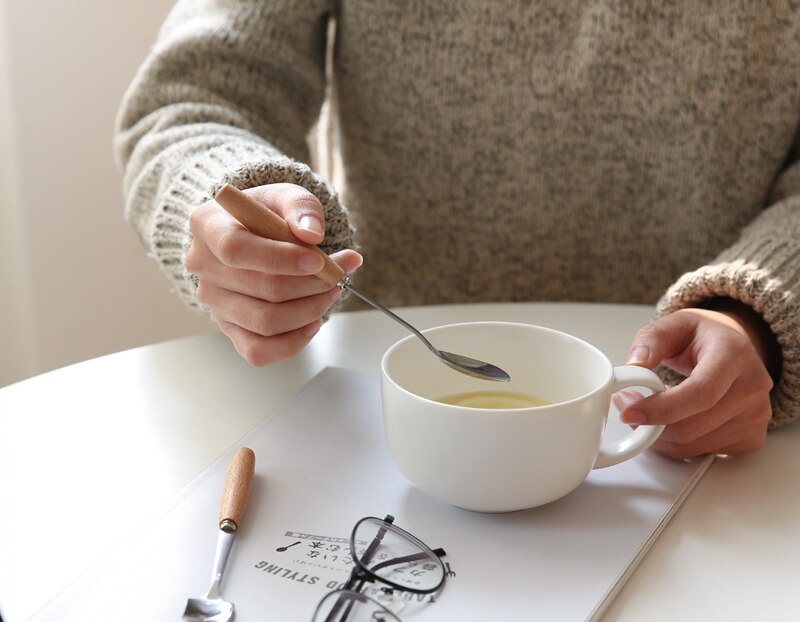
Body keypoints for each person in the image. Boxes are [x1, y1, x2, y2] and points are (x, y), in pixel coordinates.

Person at [114, 1, 799, 461]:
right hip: (374, 414)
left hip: (705, 442)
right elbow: (192, 100)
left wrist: (759, 313)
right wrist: (237, 209)